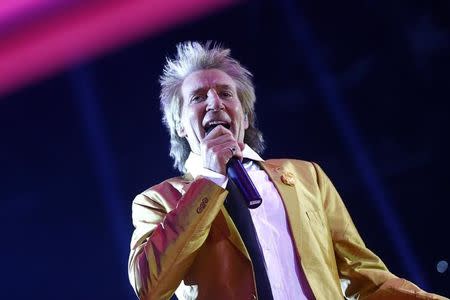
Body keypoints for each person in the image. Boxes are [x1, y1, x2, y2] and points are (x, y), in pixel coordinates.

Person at [128, 41, 446, 300]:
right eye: (198, 97)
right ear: (180, 126)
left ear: (246, 115)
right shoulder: (157, 201)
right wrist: (210, 181)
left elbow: (363, 277)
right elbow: (150, 287)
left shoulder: (307, 177)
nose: (214, 103)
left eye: (226, 93)